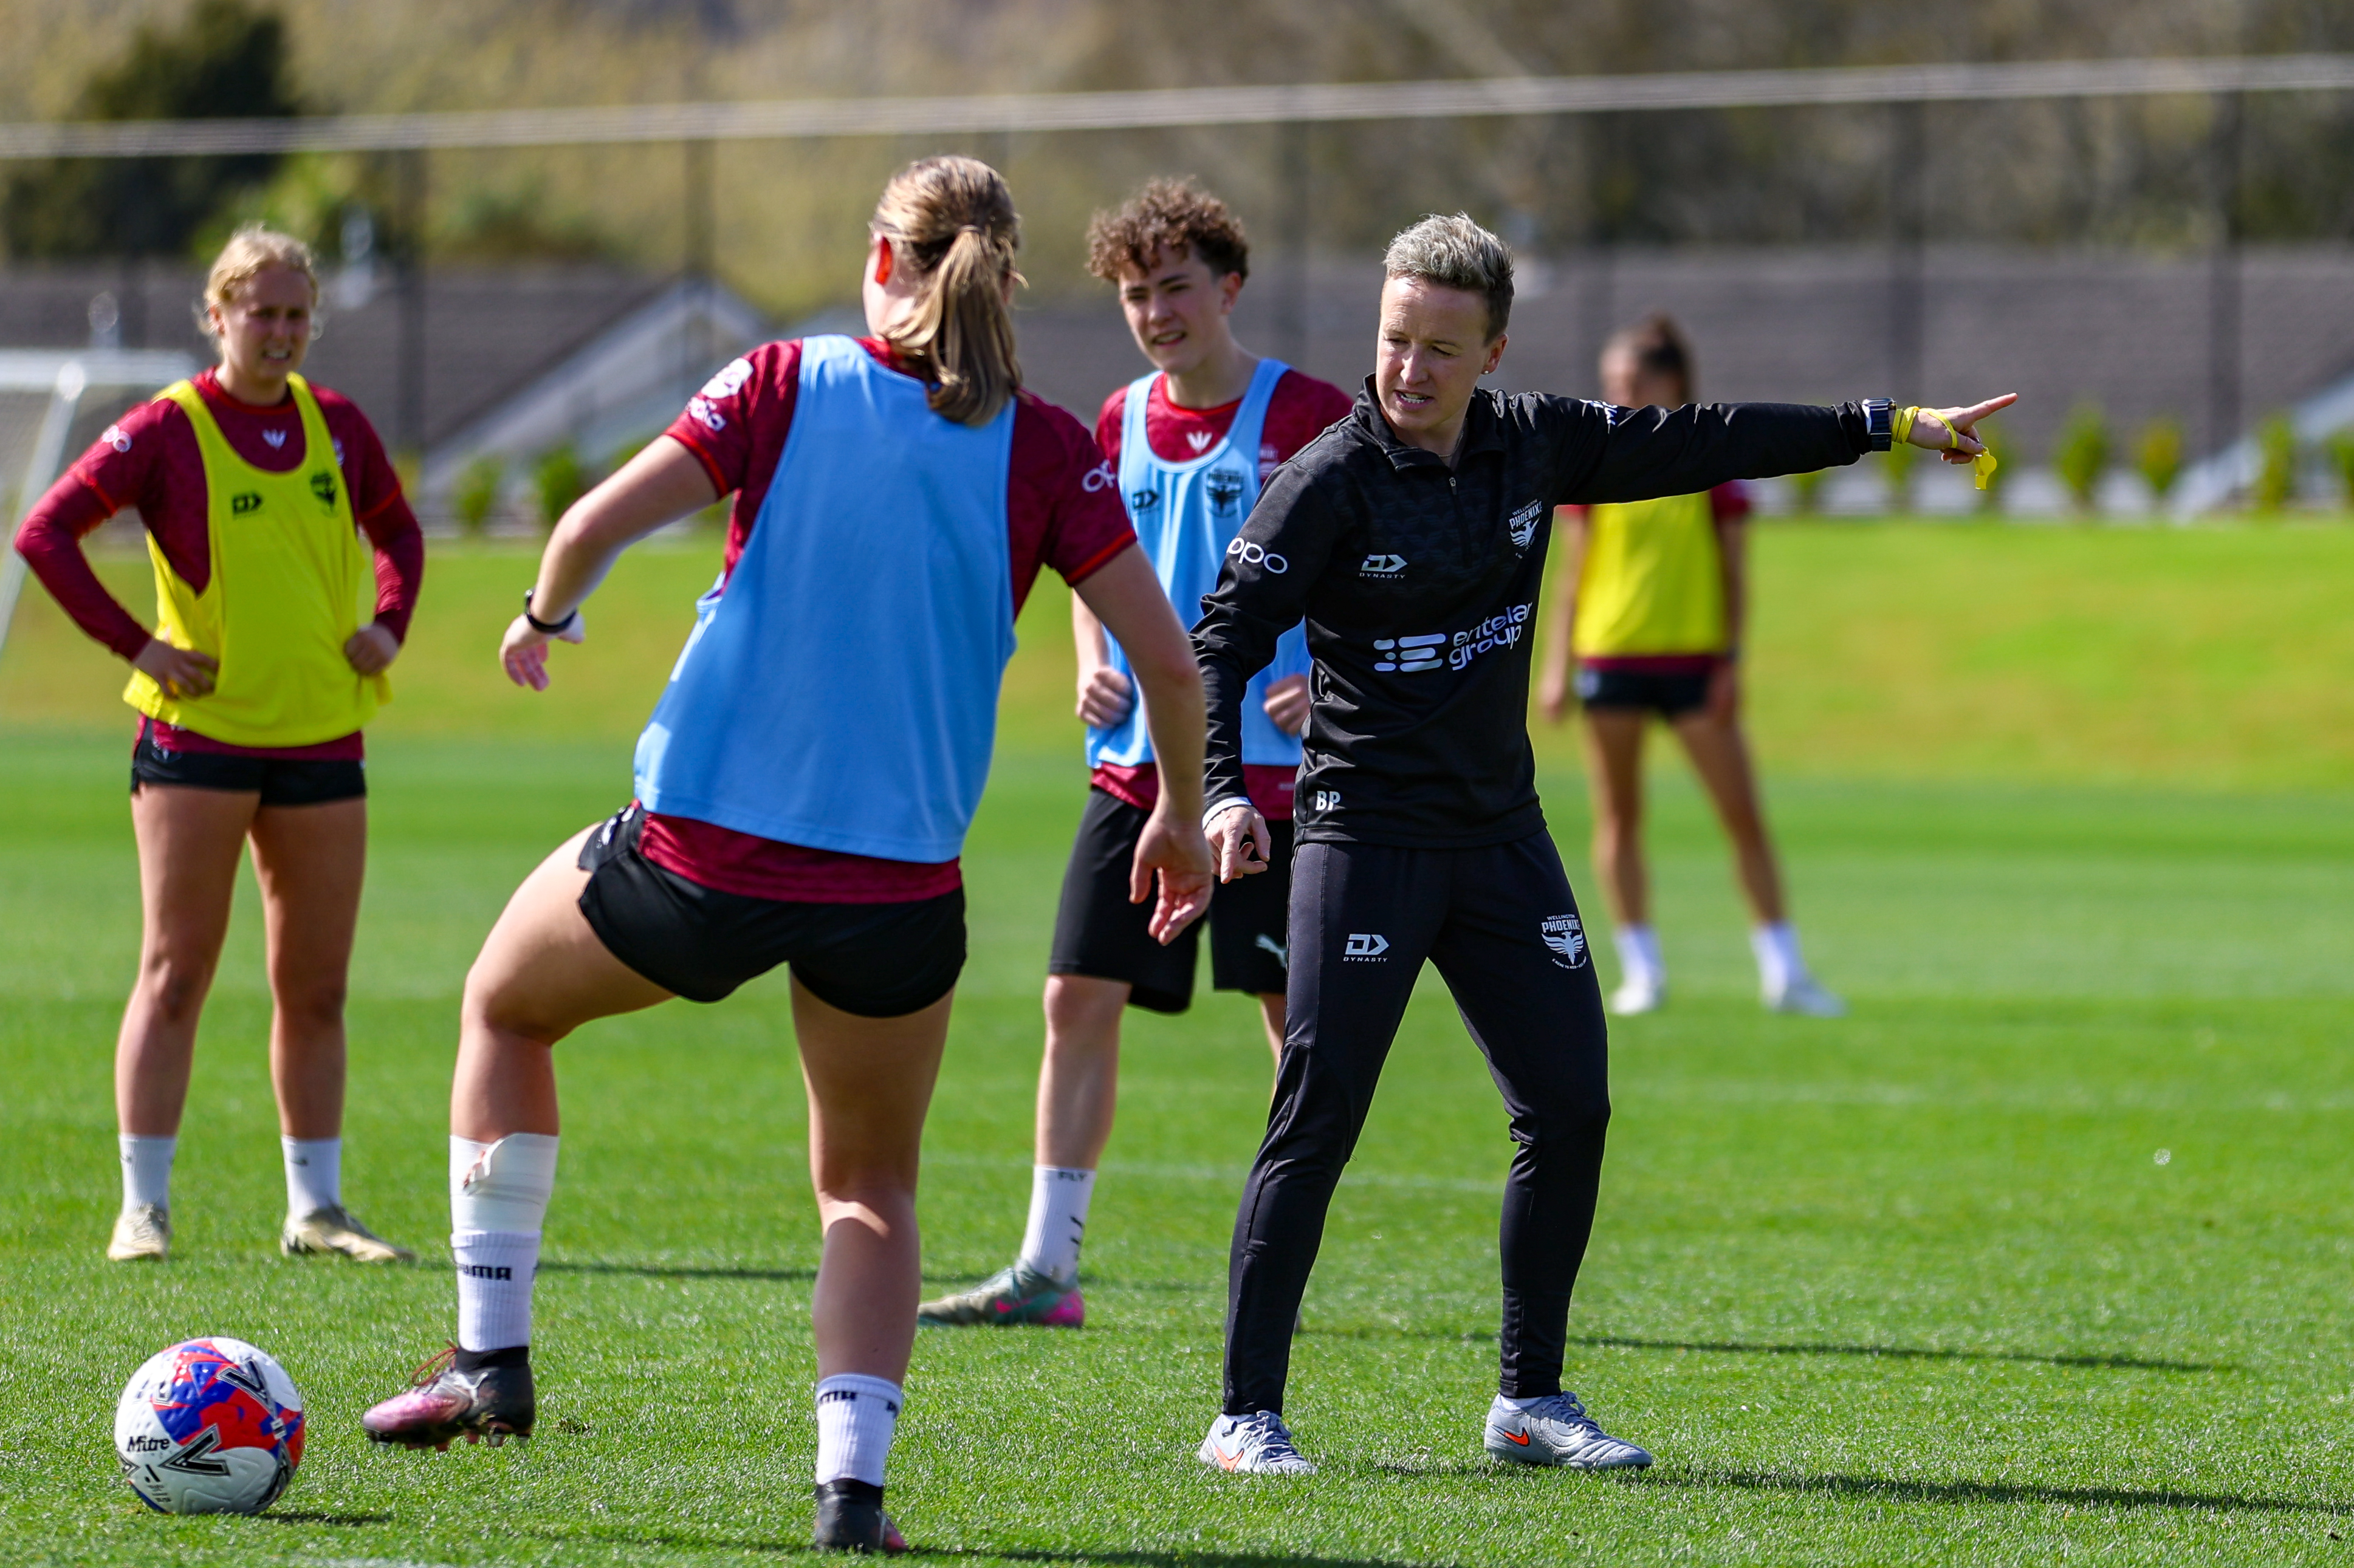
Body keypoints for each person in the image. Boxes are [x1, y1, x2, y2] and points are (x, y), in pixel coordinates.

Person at [355, 157, 1215, 1555]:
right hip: (896, 891)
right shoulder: (1047, 445)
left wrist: (544, 616)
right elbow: (1170, 664)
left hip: (696, 858)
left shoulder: (782, 381)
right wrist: (1176, 810)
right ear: (1003, 278)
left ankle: (489, 1363)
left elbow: (585, 526)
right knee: (868, 1189)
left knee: (503, 1006)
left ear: (881, 259)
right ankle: (849, 1496)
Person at [1190, 214, 2011, 1475]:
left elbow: (1706, 440)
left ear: (1491, 353)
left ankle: (1527, 1401)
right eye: (1395, 339)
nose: (1407, 368)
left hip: (1497, 840)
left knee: (1569, 1107)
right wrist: (1218, 794)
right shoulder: (1327, 479)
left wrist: (1886, 424)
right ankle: (1243, 1415)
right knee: (1318, 1116)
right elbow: (1224, 635)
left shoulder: (1533, 443)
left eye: (1439, 349)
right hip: (1364, 834)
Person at [919, 179, 1351, 1331]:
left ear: (1229, 288)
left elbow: (1371, 562)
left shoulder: (1309, 416)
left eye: (1175, 287)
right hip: (1140, 768)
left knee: (1288, 1021)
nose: (1157, 312)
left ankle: (1283, 1267)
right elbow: (1092, 561)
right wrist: (1087, 658)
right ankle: (1045, 1268)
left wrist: (1331, 676)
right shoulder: (1114, 421)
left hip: (1267, 779)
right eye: (1134, 294)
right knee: (1073, 996)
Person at [14, 225, 424, 1267]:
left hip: (322, 739)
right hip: (196, 739)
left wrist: (389, 623)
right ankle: (143, 1209)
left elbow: (399, 534)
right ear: (217, 316)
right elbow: (45, 534)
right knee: (174, 972)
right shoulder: (167, 428)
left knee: (317, 987)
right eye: (260, 312)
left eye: (296, 315)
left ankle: (316, 1209)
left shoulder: (337, 425)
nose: (280, 331)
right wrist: (140, 645)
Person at [1536, 315, 1842, 1017]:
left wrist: (1731, 659)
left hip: (1694, 664)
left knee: (1742, 814)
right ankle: (1641, 970)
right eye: (1611, 382)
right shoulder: (1593, 465)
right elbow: (1574, 578)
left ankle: (1785, 969)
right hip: (1609, 656)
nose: (1618, 394)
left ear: (1670, 382)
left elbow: (1735, 575)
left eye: (1630, 381)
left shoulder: (1711, 463)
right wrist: (1556, 667)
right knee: (1619, 815)